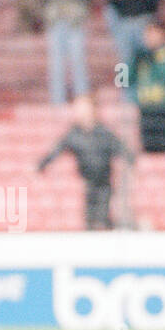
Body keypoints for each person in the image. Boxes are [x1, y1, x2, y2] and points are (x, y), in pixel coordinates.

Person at [38, 96, 133, 230]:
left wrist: (130, 162)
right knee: (90, 220)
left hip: (105, 182)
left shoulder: (104, 132)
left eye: (83, 109)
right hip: (86, 183)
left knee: (103, 217)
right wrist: (41, 165)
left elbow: (121, 149)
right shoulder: (73, 133)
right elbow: (56, 150)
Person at [39, 0, 93, 104]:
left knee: (78, 62)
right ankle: (57, 100)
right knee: (56, 63)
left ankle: (82, 98)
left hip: (75, 23)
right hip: (56, 22)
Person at [131, 21, 165, 153]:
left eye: (154, 34)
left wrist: (154, 60)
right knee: (148, 149)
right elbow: (122, 80)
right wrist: (132, 61)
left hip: (163, 107)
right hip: (145, 107)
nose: (150, 38)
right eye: (148, 34)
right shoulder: (139, 56)